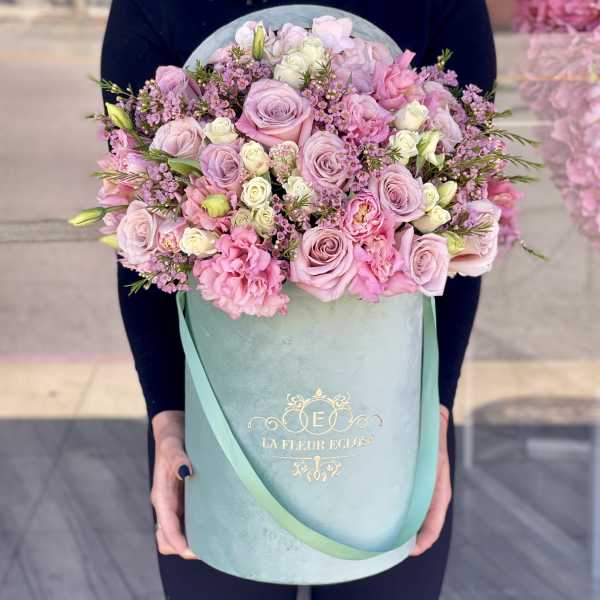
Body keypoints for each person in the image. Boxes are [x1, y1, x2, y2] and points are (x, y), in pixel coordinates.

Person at [101, 1, 496, 598]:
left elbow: (462, 226)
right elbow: (140, 220)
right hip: (214, 426)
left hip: (392, 420)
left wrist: (434, 417)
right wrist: (168, 421)